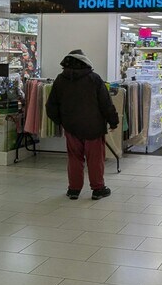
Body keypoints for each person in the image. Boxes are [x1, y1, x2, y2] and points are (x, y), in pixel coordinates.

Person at [46, 49, 119, 201]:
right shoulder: (94, 79)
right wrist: (113, 121)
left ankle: (74, 189)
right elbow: (106, 104)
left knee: (74, 158)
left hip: (71, 127)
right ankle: (98, 189)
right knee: (95, 159)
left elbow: (51, 105)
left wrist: (60, 121)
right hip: (94, 127)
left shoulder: (60, 79)